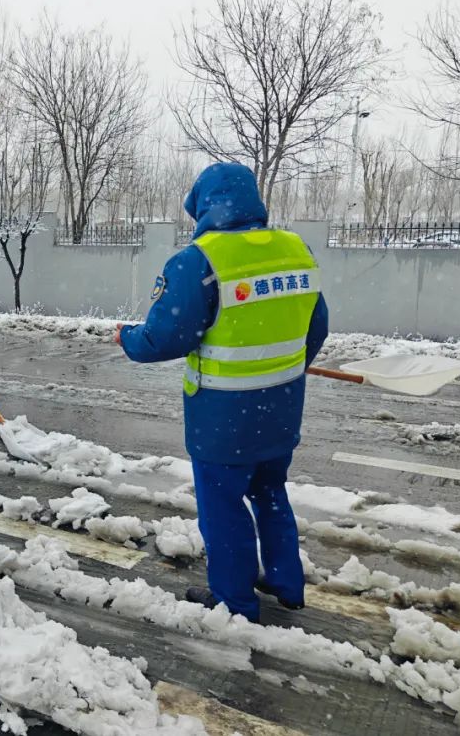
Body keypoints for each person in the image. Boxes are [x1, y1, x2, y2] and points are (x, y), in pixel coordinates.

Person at [116, 162, 329, 624]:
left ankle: (235, 602)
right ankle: (286, 583)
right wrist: (285, 371)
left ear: (203, 205)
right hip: (282, 410)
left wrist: (127, 338)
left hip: (223, 419)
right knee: (271, 492)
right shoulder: (295, 250)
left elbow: (165, 337)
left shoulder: (200, 260)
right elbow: (316, 327)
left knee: (223, 507)